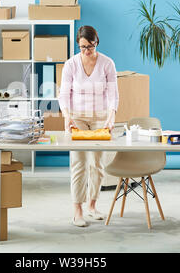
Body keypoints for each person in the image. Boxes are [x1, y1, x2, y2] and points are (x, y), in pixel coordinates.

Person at [58, 25, 119, 227]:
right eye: (83, 47)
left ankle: (92, 206)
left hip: (100, 118)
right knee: (79, 163)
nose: (86, 51)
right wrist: (67, 116)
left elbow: (113, 95)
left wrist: (111, 117)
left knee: (98, 165)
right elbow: (64, 95)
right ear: (78, 44)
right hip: (78, 118)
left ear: (96, 43)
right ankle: (78, 210)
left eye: (90, 46)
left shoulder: (107, 63)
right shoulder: (71, 65)